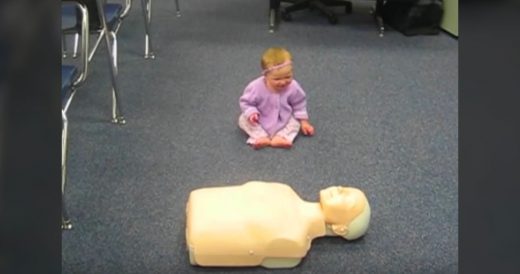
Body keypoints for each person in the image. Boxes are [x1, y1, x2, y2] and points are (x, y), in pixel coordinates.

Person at [185, 181, 371, 268]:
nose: (340, 189)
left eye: (347, 198)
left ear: (341, 229)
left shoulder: (294, 242)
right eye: (346, 188)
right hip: (202, 207)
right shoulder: (287, 191)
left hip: (204, 235)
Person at [238, 47, 315, 149]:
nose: (283, 82)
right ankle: (261, 136)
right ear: (266, 76)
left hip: (284, 118)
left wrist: (304, 122)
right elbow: (246, 102)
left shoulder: (294, 86)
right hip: (261, 118)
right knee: (243, 119)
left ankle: (281, 137)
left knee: (295, 122)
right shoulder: (255, 87)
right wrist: (251, 112)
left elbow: (299, 104)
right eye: (277, 79)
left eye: (288, 77)